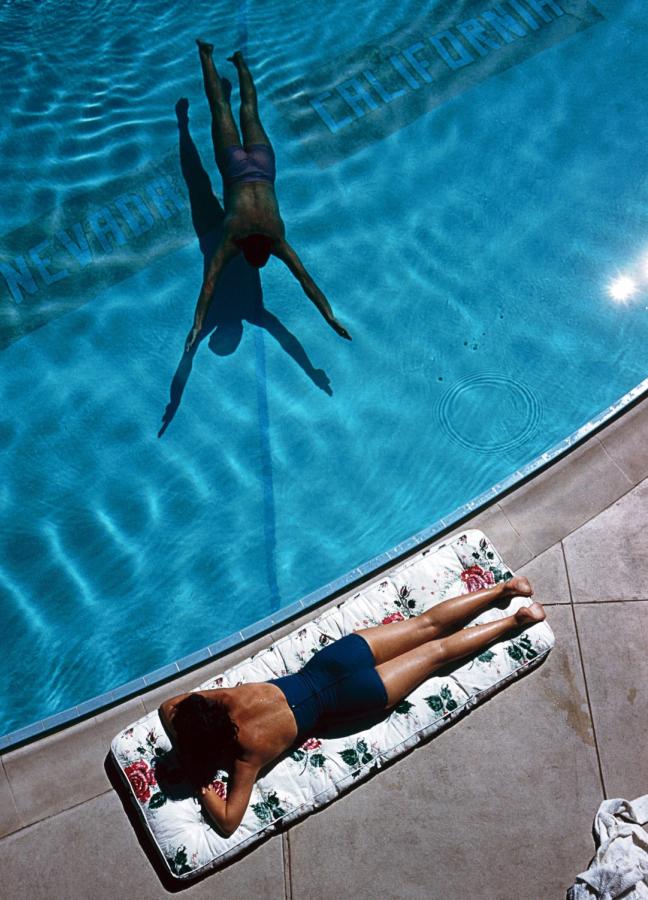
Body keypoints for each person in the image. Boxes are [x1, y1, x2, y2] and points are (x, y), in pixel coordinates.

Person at [159, 575, 545, 837]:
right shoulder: (225, 698)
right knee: (425, 626)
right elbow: (169, 708)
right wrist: (186, 736)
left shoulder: (247, 757)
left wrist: (198, 776)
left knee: (436, 653)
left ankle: (515, 622)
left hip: (355, 696)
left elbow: (228, 821)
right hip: (335, 661)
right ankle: (504, 590)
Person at [184, 41, 351, 353]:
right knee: (219, 109)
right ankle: (206, 56)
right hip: (234, 171)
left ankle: (238, 63)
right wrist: (197, 327)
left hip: (262, 166)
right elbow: (210, 287)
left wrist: (331, 316)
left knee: (248, 110)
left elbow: (307, 283)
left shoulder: (272, 240)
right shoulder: (236, 240)